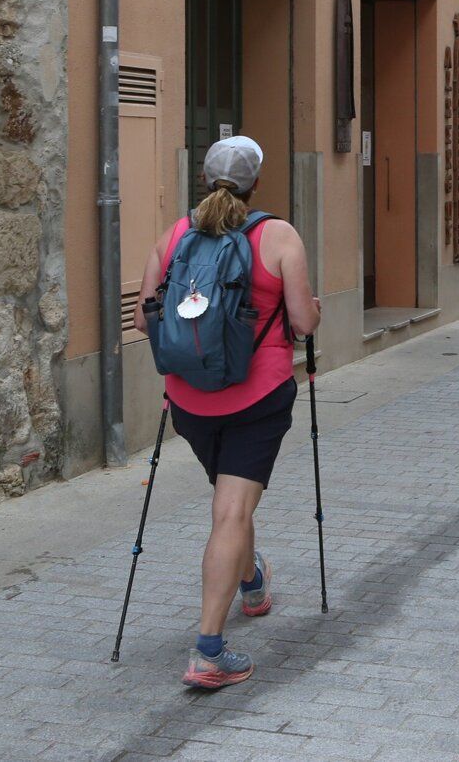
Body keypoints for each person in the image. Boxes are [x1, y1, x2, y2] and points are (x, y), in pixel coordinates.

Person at [133, 135, 321, 688]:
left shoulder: (175, 235)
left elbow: (145, 320)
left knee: (231, 501)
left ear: (203, 178)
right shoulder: (277, 235)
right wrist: (312, 310)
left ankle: (253, 582)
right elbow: (303, 324)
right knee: (232, 511)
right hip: (256, 397)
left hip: (189, 399)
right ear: (256, 182)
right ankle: (208, 651)